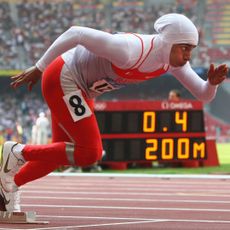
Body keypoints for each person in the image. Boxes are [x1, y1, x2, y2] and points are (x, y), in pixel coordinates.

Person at [0, 13, 228, 212]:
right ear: (169, 42)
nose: (189, 55)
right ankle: (17, 151)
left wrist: (212, 84)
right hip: (62, 77)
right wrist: (39, 67)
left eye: (192, 49)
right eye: (185, 48)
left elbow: (203, 95)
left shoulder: (173, 63)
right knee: (90, 152)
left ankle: (8, 187)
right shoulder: (129, 50)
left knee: (62, 154)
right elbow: (76, 32)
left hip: (80, 89)